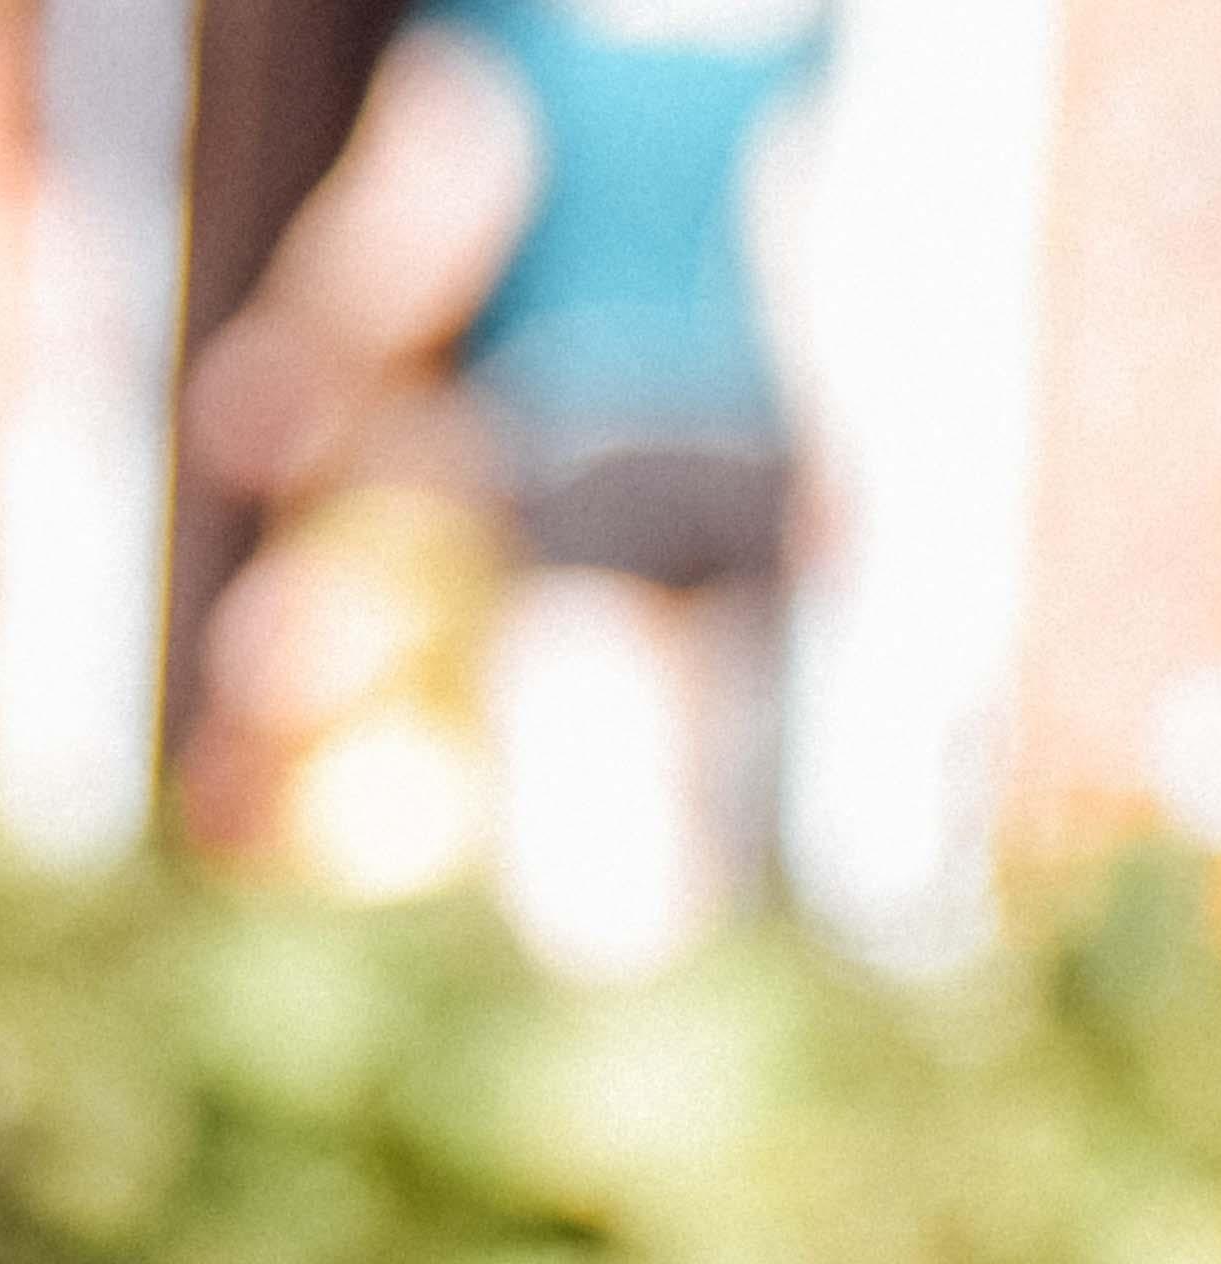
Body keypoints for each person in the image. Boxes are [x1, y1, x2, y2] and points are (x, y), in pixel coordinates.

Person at [181, 0, 831, 979]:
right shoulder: (781, 38)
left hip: (578, 425)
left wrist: (297, 346)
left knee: (586, 818)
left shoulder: (520, 33)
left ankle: (592, 1056)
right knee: (711, 822)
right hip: (744, 442)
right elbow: (808, 236)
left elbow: (420, 214)